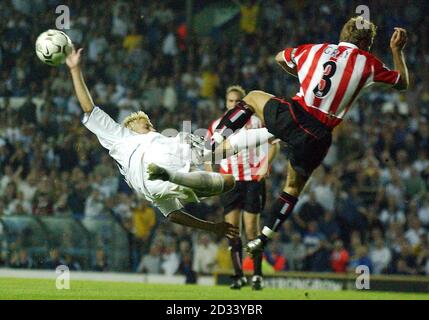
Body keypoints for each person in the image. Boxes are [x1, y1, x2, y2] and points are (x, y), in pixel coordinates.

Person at [207, 17, 409, 255]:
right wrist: (397, 50)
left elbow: (280, 57)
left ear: (343, 34)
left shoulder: (316, 49)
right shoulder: (368, 63)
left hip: (294, 115)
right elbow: (402, 82)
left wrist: (299, 71)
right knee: (292, 187)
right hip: (318, 136)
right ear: (367, 43)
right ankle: (263, 237)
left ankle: (215, 140)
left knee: (252, 97)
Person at [66, 48, 239, 239]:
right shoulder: (121, 136)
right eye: (145, 123)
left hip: (160, 183)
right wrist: (75, 69)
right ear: (131, 127)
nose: (150, 125)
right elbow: (89, 109)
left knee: (230, 181)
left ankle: (259, 137)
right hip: (154, 175)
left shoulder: (162, 141)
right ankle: (194, 168)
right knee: (190, 143)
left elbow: (173, 214)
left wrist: (212, 227)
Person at [205, 85, 279, 290]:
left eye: (237, 101)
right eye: (230, 101)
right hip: (229, 181)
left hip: (253, 179)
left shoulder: (256, 121)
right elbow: (208, 153)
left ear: (243, 102)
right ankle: (238, 276)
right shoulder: (218, 125)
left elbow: (275, 144)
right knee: (232, 230)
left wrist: (266, 164)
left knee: (252, 229)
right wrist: (211, 175)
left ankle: (257, 275)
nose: (233, 104)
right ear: (226, 103)